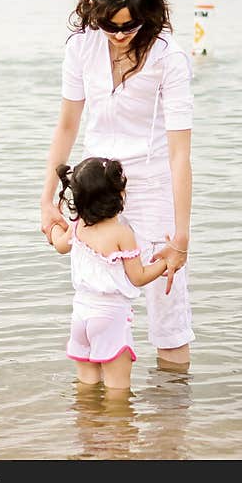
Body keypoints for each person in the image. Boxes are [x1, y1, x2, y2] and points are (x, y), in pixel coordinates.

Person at [40, 0, 195, 367]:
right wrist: (46, 199)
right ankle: (99, 421)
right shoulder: (81, 48)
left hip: (152, 188)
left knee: (168, 315)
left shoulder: (169, 58)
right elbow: (67, 126)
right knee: (96, 303)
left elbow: (180, 153)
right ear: (94, 11)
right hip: (95, 189)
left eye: (130, 25)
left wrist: (181, 237)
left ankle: (171, 427)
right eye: (109, 25)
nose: (120, 33)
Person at [49, 157, 168, 390]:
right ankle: (117, 426)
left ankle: (87, 424)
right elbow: (139, 277)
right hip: (110, 318)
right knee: (117, 390)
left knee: (86, 386)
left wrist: (52, 227)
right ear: (119, 195)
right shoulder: (121, 233)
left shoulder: (78, 226)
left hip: (81, 316)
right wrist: (167, 263)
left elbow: (60, 245)